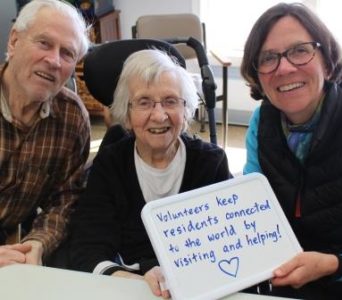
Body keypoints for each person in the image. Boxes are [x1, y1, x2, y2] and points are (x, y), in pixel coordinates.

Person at [68, 49, 232, 297]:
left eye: (170, 101)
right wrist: (130, 279)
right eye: (144, 102)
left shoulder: (210, 163)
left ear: (186, 109)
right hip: (127, 287)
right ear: (127, 112)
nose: (159, 115)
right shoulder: (110, 164)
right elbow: (87, 246)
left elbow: (227, 245)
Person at [240, 2, 342, 298]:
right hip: (283, 273)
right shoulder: (260, 123)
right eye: (268, 58)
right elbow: (253, 211)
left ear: (327, 61)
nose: (285, 67)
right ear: (258, 76)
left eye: (300, 50)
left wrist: (336, 265)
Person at [0, 0, 90, 267]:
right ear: (14, 41)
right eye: (44, 43)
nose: (53, 61)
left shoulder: (72, 118)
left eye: (67, 53)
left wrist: (38, 242)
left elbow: (65, 200)